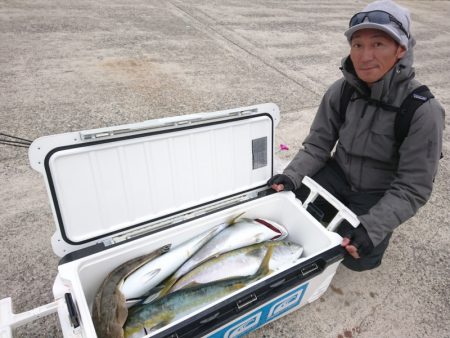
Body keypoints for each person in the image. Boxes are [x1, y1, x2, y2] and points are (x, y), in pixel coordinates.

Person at [267, 0, 444, 271]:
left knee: (357, 258)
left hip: (378, 192)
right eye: (357, 45)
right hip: (337, 174)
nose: (364, 56)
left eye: (378, 44)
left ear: (401, 49)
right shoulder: (341, 90)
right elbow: (318, 145)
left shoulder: (423, 110)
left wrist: (372, 229)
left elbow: (413, 187)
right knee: (290, 219)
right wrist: (291, 175)